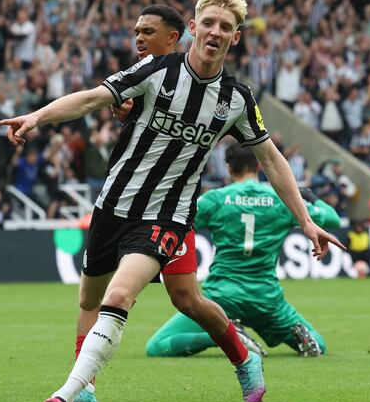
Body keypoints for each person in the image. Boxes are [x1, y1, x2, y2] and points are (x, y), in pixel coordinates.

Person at [0, 0, 344, 402]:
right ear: (194, 28)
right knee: (113, 299)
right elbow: (90, 98)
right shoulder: (155, 71)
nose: (216, 32)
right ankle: (241, 351)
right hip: (113, 206)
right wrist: (37, 117)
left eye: (226, 27)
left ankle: (70, 391)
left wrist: (305, 220)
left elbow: (272, 160)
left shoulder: (236, 100)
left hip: (167, 215)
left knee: (118, 297)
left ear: (235, 37)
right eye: (210, 23)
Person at [70, 4, 261, 402]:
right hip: (122, 206)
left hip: (171, 212)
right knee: (103, 295)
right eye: (136, 30)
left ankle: (243, 357)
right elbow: (109, 103)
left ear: (175, 36)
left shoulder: (222, 92)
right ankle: (85, 382)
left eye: (147, 31)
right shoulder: (146, 75)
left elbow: (271, 156)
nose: (138, 39)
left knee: (184, 299)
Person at [145, 143, 340, 359]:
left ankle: (223, 335)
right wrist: (308, 196)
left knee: (157, 345)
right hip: (267, 300)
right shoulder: (281, 201)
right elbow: (333, 218)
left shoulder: (215, 199)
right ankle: (299, 335)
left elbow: (176, 227)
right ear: (259, 166)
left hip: (222, 297)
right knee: (319, 344)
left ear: (228, 168)